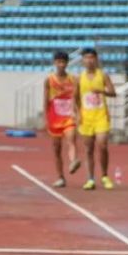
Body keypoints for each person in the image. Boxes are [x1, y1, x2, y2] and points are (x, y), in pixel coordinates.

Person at [76, 48, 117, 190]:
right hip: (86, 118)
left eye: (92, 57)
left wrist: (102, 91)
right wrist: (77, 113)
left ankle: (105, 175)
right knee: (89, 149)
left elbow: (113, 93)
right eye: (86, 58)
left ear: (96, 59)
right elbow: (75, 97)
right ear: (82, 61)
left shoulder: (103, 76)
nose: (89, 60)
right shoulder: (79, 78)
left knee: (102, 145)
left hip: (101, 116)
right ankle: (90, 179)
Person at [43, 51, 81, 188]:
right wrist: (45, 117)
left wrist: (79, 112)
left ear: (67, 63)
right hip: (54, 116)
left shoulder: (73, 79)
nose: (61, 65)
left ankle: (73, 161)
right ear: (54, 63)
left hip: (68, 116)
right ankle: (60, 177)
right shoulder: (49, 80)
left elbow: (77, 98)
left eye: (63, 62)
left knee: (71, 138)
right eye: (58, 62)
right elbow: (46, 99)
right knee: (56, 148)